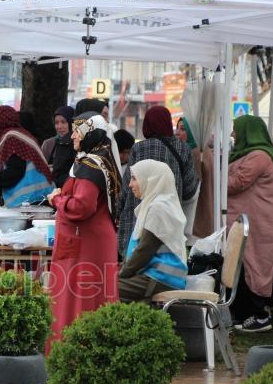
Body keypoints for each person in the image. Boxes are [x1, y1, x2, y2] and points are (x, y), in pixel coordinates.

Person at [47, 112, 121, 345]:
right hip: (90, 241)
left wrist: (57, 200)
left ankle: (74, 352)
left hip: (86, 244)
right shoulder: (95, 160)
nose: (73, 136)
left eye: (78, 131)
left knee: (79, 300)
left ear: (91, 133)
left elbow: (82, 207)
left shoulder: (90, 166)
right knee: (86, 298)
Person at [117, 106, 198, 256]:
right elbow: (190, 190)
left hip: (137, 220)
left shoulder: (139, 148)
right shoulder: (183, 149)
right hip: (169, 219)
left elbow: (127, 185)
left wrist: (118, 209)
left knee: (136, 263)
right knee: (163, 262)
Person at [227, 115, 273, 332]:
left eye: (236, 131)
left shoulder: (259, 156)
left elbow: (237, 182)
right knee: (245, 265)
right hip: (253, 221)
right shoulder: (251, 155)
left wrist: (217, 174)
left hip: (259, 223)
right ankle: (247, 314)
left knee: (256, 265)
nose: (233, 135)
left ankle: (260, 315)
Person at [118, 159, 188, 302]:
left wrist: (122, 274)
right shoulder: (160, 204)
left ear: (150, 179)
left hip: (160, 278)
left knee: (101, 289)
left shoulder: (159, 208)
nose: (130, 184)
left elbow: (144, 250)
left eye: (134, 178)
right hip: (156, 275)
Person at [0, 106, 54, 207]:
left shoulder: (11, 138)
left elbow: (15, 171)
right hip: (42, 194)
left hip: (28, 200)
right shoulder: (22, 134)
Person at [41, 106, 76, 188]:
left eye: (63, 122)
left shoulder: (77, 143)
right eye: (56, 123)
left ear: (71, 123)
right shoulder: (48, 144)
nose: (59, 126)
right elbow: (40, 168)